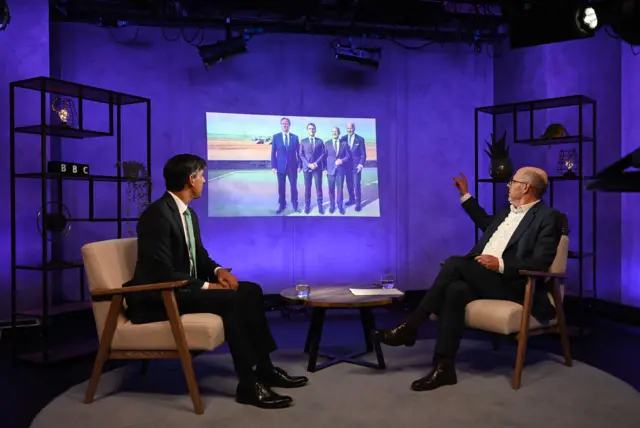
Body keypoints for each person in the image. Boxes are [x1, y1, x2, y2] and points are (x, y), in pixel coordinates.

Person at [124, 154, 308, 409]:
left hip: (183, 288)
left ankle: (265, 368)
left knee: (251, 290)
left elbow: (199, 257)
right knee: (232, 299)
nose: (204, 181)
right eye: (201, 176)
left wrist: (219, 271)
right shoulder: (156, 215)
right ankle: (247, 384)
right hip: (160, 295)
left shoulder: (188, 215)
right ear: (190, 179)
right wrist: (210, 286)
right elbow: (162, 273)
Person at [374, 167, 561, 392]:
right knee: (455, 291)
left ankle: (411, 326)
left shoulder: (548, 218)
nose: (508, 185)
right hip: (485, 278)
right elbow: (485, 222)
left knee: (454, 263)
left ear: (526, 187)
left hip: (515, 284)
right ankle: (444, 367)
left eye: (512, 181)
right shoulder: (506, 212)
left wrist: (500, 264)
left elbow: (540, 263)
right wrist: (465, 194)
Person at [271, 117, 301, 214]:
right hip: (280, 167)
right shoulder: (276, 137)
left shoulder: (295, 137)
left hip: (293, 167)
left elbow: (299, 153)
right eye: (283, 123)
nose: (285, 125)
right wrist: (273, 166)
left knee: (293, 187)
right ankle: (282, 205)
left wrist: (299, 165)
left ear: (289, 125)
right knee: (281, 187)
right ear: (281, 125)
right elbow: (273, 153)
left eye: (287, 123)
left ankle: (295, 204)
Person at [340, 122, 367, 212]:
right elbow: (340, 153)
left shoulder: (360, 139)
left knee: (356, 185)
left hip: (356, 167)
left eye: (350, 128)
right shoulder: (342, 139)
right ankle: (351, 200)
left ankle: (358, 203)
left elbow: (363, 154)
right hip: (347, 167)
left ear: (354, 128)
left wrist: (361, 165)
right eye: (347, 128)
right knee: (349, 184)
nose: (349, 130)